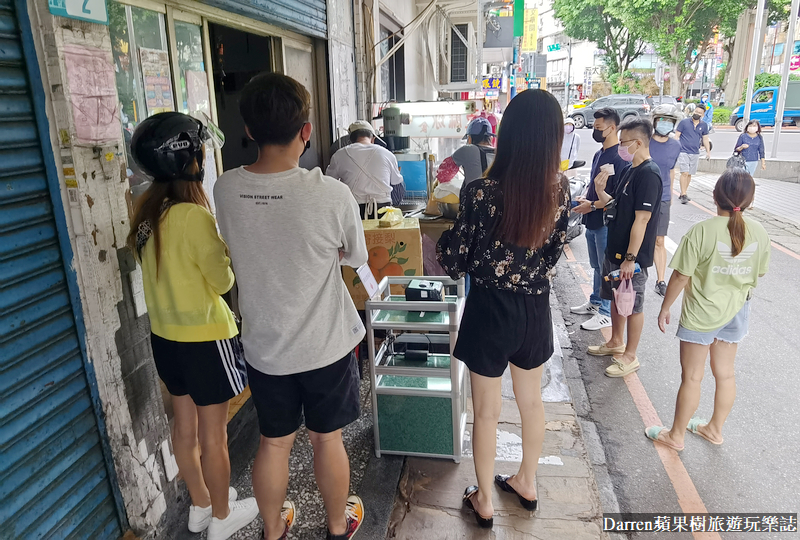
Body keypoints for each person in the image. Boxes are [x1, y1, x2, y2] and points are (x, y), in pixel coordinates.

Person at [214, 73, 368, 540]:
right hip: (326, 345)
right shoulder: (331, 194)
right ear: (306, 132)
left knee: (274, 442)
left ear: (248, 131)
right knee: (328, 439)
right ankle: (338, 526)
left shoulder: (224, 189)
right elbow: (355, 257)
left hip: (265, 347)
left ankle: (272, 529)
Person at [437, 89, 570, 529]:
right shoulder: (560, 191)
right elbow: (553, 256)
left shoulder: (481, 192)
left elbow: (454, 258)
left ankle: (486, 501)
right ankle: (527, 482)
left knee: (487, 411)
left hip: (489, 310)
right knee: (531, 403)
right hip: (534, 310)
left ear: (507, 135)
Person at [126, 112, 258, 540]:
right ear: (190, 160)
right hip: (205, 339)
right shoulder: (194, 217)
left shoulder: (145, 216)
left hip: (165, 340)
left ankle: (201, 505)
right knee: (214, 436)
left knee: (184, 429)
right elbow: (222, 282)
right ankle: (223, 517)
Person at [646, 169, 770, 451]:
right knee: (725, 374)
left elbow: (680, 276)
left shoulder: (701, 231)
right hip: (737, 310)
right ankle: (714, 429)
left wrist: (665, 307)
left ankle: (675, 436)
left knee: (692, 376)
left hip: (701, 313)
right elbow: (759, 273)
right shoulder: (760, 233)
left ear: (715, 196)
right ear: (749, 201)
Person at [588, 118, 663, 377]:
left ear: (638, 142)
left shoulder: (649, 174)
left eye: (624, 143)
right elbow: (615, 207)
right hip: (615, 248)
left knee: (633, 304)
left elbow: (642, 219)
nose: (620, 147)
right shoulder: (631, 170)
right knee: (617, 299)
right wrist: (600, 191)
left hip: (631, 257)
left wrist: (631, 259)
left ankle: (630, 355)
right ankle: (615, 342)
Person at [570, 108, 631, 331]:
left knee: (606, 268)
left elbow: (617, 198)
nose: (595, 131)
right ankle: (595, 301)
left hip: (607, 221)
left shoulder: (620, 157)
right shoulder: (599, 154)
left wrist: (593, 205)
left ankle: (605, 311)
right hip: (592, 219)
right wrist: (586, 198)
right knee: (596, 265)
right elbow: (596, 186)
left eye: (598, 128)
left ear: (612, 128)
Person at [326, 120, 405, 219]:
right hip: (383, 211)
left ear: (351, 139)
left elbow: (329, 183)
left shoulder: (339, 155)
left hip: (353, 210)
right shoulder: (387, 154)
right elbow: (397, 187)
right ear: (373, 138)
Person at [649, 105, 682, 297]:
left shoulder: (675, 145)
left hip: (663, 197)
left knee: (659, 240)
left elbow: (671, 170)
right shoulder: (644, 141)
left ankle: (660, 280)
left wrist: (671, 195)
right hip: (644, 195)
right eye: (661, 119)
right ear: (654, 121)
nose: (665, 124)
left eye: (668, 120)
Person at [435, 116, 496, 194]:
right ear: (491, 138)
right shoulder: (500, 153)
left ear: (469, 138)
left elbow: (442, 174)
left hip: (474, 203)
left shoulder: (467, 149)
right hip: (498, 203)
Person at [674, 104, 711, 204]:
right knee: (684, 172)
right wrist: (674, 147)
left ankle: (684, 192)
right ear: (693, 111)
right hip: (683, 151)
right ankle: (683, 194)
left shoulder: (703, 125)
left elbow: (705, 138)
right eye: (696, 111)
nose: (697, 114)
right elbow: (677, 135)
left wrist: (708, 152)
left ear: (703, 115)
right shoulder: (684, 122)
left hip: (695, 152)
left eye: (700, 113)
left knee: (690, 174)